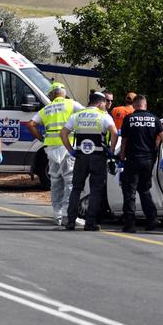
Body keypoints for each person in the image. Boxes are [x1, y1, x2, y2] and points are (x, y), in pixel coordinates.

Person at [27, 82, 84, 225]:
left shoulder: (46, 109)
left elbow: (31, 124)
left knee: (55, 181)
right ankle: (67, 214)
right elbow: (86, 114)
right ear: (63, 93)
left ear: (52, 95)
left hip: (51, 148)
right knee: (69, 181)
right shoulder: (71, 104)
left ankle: (57, 214)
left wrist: (41, 138)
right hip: (67, 147)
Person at [60, 92, 119, 231]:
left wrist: (71, 150)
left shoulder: (77, 115)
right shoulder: (104, 116)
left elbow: (63, 133)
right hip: (98, 156)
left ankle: (71, 221)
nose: (105, 105)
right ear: (100, 103)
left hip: (81, 157)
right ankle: (90, 222)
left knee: (76, 189)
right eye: (104, 103)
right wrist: (110, 150)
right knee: (95, 190)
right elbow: (115, 133)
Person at [118, 94, 163, 233]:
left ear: (135, 106)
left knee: (130, 191)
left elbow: (124, 142)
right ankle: (152, 219)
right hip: (148, 160)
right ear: (145, 105)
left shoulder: (129, 119)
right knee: (144, 190)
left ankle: (129, 224)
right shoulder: (155, 119)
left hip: (133, 160)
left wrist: (121, 159)